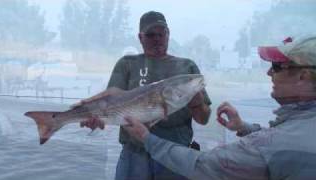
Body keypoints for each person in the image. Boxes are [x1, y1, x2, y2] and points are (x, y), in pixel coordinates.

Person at [124, 36, 316, 180]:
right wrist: (244, 127)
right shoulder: (299, 130)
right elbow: (281, 143)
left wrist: (146, 138)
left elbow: (204, 165)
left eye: (277, 66)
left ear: (304, 76)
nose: (268, 72)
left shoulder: (274, 145)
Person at [77, 11, 212, 180]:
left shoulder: (187, 67)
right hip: (135, 154)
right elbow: (111, 100)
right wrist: (94, 114)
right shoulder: (127, 63)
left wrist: (198, 104)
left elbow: (203, 119)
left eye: (161, 33)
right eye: (150, 34)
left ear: (168, 34)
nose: (157, 39)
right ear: (140, 37)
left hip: (176, 154)